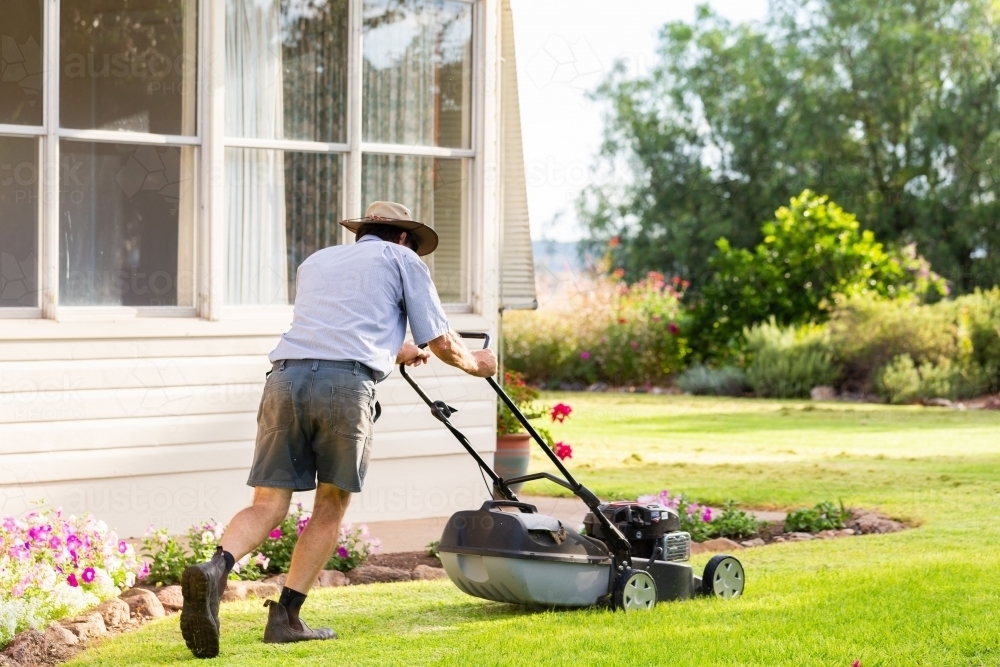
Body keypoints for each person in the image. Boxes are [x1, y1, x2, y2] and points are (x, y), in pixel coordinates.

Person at [179, 201, 497, 658]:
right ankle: (286, 617)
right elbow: (443, 341)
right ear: (403, 237)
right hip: (345, 388)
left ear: (363, 232)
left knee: (268, 503)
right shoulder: (402, 259)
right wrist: (478, 364)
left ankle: (215, 568)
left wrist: (397, 349)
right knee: (329, 504)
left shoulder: (317, 262)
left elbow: (339, 328)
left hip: (284, 379)